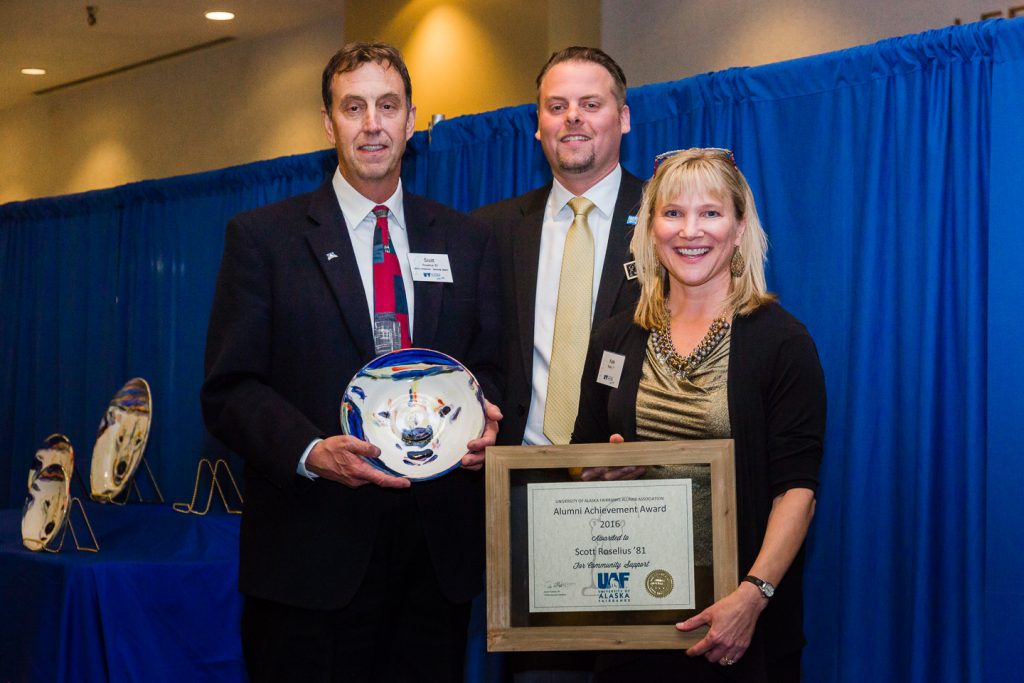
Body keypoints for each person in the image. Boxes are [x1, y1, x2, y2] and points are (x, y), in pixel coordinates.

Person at [200, 43, 502, 683]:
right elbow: (230, 390)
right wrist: (312, 451)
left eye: (388, 107)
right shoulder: (263, 239)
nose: (372, 125)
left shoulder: (467, 240)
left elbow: (490, 366)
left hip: (433, 566)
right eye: (353, 107)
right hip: (310, 560)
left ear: (412, 120)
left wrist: (487, 424)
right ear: (327, 121)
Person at [571, 148, 826, 682]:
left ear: (739, 228)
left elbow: (796, 492)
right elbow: (578, 460)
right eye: (673, 213)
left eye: (710, 212)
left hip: (740, 627)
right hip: (633, 619)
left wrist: (752, 597)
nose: (690, 231)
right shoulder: (615, 337)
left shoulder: (783, 343)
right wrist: (598, 470)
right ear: (651, 228)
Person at [474, 46, 643, 451]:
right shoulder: (490, 230)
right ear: (539, 124)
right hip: (516, 468)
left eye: (590, 104)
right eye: (557, 106)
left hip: (634, 468)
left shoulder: (668, 222)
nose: (572, 116)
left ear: (623, 119)